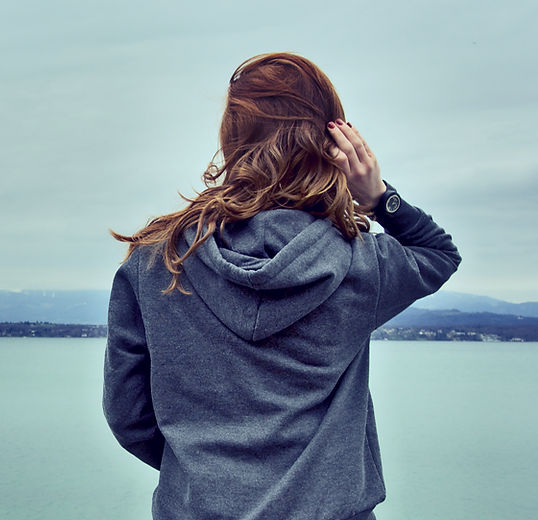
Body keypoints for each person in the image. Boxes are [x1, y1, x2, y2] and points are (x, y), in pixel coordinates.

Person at [103, 53, 461, 520]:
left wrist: (199, 473)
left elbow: (127, 415)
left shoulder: (157, 259)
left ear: (230, 138)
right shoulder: (358, 262)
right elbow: (439, 254)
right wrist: (378, 198)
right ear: (332, 141)